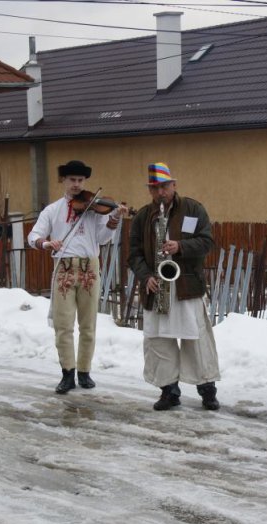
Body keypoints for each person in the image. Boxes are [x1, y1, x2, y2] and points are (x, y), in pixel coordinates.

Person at [128, 162, 221, 412]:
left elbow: (207, 241)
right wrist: (145, 275)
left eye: (164, 187)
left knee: (197, 339)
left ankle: (207, 390)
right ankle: (169, 391)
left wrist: (180, 247)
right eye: (154, 188)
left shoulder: (193, 209)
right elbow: (133, 253)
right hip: (155, 288)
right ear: (149, 190)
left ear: (174, 185)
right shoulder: (143, 217)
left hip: (186, 286)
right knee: (159, 342)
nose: (160, 193)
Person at [28, 160, 123, 394]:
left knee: (88, 324)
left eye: (81, 181)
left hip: (90, 268)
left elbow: (102, 238)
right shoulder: (52, 210)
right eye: (73, 180)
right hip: (64, 268)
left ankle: (85, 371)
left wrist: (112, 221)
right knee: (63, 325)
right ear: (64, 181)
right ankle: (67, 373)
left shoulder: (94, 208)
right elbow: (33, 236)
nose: (77, 185)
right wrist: (47, 242)